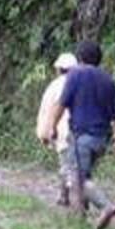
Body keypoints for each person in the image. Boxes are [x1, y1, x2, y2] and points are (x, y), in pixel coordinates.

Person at [45, 40, 115, 229]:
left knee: (78, 178)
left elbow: (61, 104)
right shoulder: (108, 80)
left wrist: (52, 126)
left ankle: (106, 206)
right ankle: (79, 219)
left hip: (82, 136)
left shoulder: (75, 75)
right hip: (101, 139)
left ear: (80, 58)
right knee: (83, 174)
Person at [35, 52, 78, 205]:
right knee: (77, 165)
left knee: (65, 165)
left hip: (61, 130)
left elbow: (46, 110)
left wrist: (44, 133)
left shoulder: (54, 86)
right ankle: (74, 196)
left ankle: (67, 196)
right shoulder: (80, 83)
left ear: (59, 69)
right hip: (82, 129)